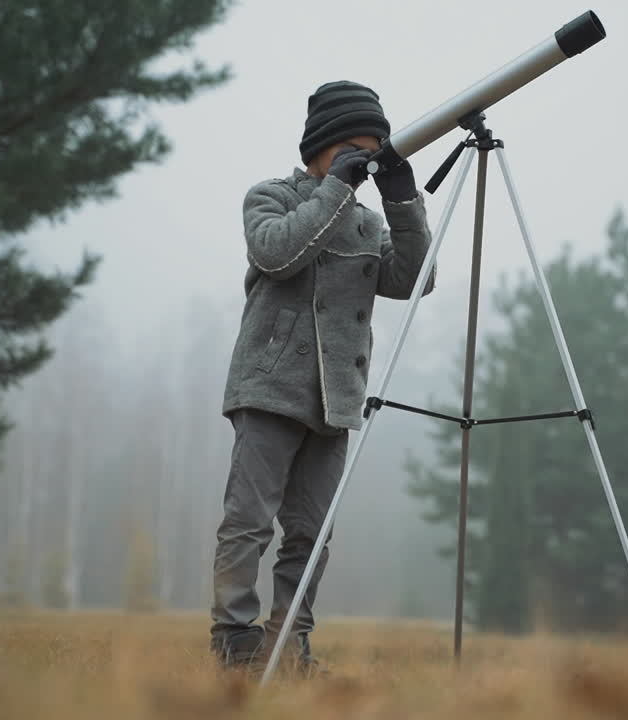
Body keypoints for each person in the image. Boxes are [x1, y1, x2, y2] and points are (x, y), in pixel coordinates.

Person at [211, 80, 435, 674]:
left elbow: (414, 280)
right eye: (353, 151)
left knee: (311, 535)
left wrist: (402, 201)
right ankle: (234, 643)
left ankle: (288, 649)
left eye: (373, 151)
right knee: (248, 522)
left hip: (335, 400)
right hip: (267, 389)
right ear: (324, 147)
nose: (363, 162)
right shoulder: (272, 197)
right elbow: (276, 253)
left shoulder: (366, 223)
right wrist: (337, 186)